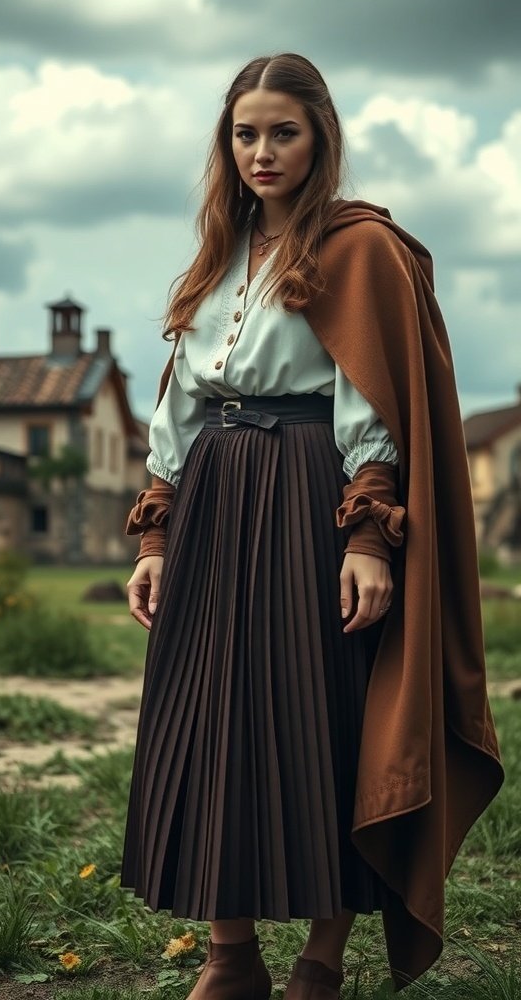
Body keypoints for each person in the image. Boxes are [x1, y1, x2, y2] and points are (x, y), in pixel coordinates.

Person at [121, 54, 503, 999]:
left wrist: (369, 538)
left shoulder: (361, 248)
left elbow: (371, 403)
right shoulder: (216, 252)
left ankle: (320, 963)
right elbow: (178, 408)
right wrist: (157, 534)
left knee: (325, 718)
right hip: (212, 494)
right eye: (244, 134)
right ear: (227, 144)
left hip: (309, 497)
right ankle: (229, 956)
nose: (261, 151)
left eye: (282, 132)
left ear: (320, 137)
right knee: (212, 719)